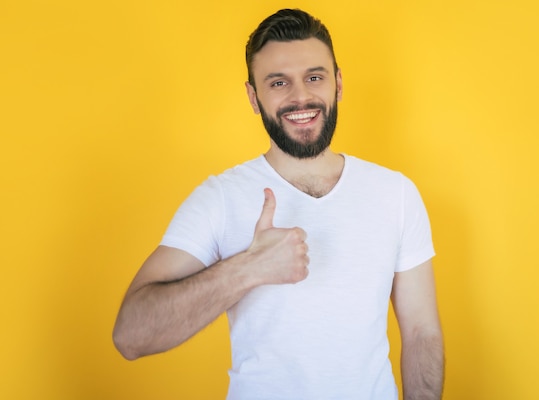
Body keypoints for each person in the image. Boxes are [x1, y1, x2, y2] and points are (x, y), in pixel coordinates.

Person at [113, 8, 444, 400]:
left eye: (314, 77)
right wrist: (247, 269)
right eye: (278, 83)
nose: (300, 96)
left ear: (338, 83)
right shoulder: (220, 198)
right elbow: (130, 336)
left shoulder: (396, 193)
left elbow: (422, 332)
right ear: (254, 97)